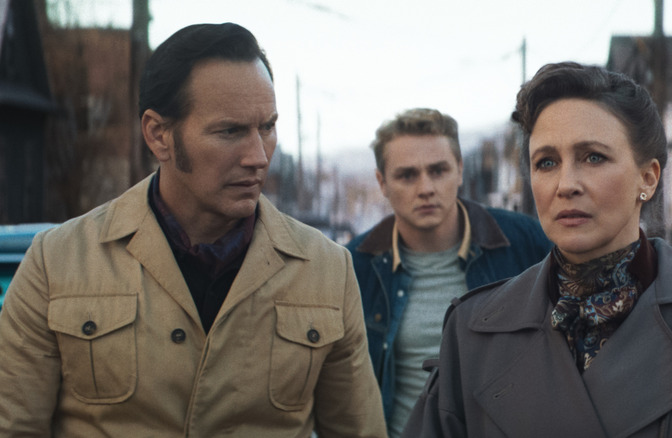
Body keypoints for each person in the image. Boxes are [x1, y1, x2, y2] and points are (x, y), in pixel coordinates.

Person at [0, 23, 385, 437]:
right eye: (230, 131)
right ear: (158, 135)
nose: (258, 156)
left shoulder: (326, 271)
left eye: (267, 127)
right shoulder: (57, 262)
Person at [403, 62, 672, 437]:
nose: (566, 185)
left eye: (593, 157)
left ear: (647, 178)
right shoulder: (474, 334)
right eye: (546, 162)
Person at [345, 108, 551, 437]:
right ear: (382, 183)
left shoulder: (525, 243)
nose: (425, 187)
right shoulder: (354, 265)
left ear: (459, 170)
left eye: (438, 170)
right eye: (407, 175)